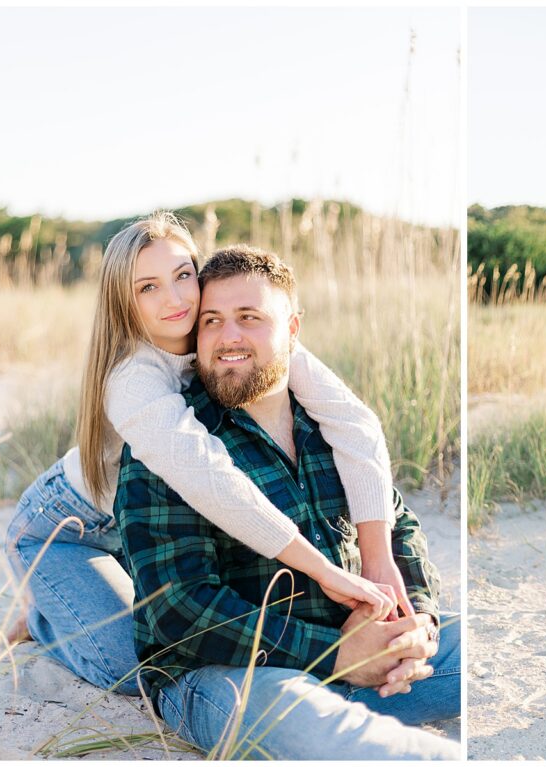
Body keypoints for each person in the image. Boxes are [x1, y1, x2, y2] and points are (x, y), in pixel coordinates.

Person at [5, 212, 407, 697]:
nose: (174, 299)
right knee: (130, 669)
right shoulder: (133, 380)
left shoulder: (226, 333)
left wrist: (377, 557)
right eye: (147, 287)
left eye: (182, 276)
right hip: (64, 529)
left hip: (136, 523)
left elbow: (354, 422)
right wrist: (321, 569)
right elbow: (212, 481)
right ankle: (43, 620)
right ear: (123, 301)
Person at [116, 245, 459, 759]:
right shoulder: (172, 443)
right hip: (232, 678)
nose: (228, 337)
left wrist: (417, 624)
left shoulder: (332, 426)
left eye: (249, 318)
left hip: (358, 651)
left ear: (293, 330)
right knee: (339, 737)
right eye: (211, 321)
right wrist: (335, 654)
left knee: (470, 649)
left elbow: (398, 526)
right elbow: (179, 607)